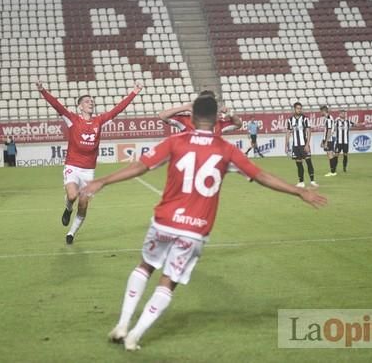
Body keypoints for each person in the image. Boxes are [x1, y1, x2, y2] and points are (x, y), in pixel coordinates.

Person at [80, 95, 327, 351]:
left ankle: (122, 324)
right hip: (195, 229)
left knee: (145, 266)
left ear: (193, 117)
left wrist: (103, 180)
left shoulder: (176, 141)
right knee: (169, 281)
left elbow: (141, 166)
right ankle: (135, 336)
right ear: (216, 118)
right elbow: (262, 176)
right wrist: (298, 191)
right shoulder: (227, 150)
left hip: (165, 221)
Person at [37, 80, 142, 244]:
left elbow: (117, 109)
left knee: (84, 204)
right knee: (72, 195)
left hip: (88, 171)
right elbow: (57, 105)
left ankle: (71, 233)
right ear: (80, 106)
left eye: (92, 101)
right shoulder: (72, 119)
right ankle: (68, 208)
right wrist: (42, 90)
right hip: (72, 165)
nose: (90, 103)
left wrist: (134, 92)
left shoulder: (99, 121)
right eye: (87, 101)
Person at [159, 90, 242, 135]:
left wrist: (230, 113)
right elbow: (162, 116)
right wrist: (185, 107)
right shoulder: (186, 120)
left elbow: (238, 124)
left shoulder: (219, 123)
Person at [285, 102, 317, 187]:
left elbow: (309, 131)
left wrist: (307, 144)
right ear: (294, 109)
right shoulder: (290, 120)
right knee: (299, 163)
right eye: (298, 108)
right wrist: (286, 145)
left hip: (304, 145)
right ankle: (301, 182)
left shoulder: (305, 119)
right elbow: (288, 133)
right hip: (295, 146)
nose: (299, 110)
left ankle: (312, 181)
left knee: (308, 161)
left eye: (300, 108)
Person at [320, 105, 337, 177]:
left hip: (329, 139)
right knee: (330, 154)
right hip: (327, 139)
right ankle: (333, 170)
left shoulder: (329, 118)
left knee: (330, 154)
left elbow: (329, 131)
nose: (320, 112)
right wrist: (323, 140)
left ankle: (332, 172)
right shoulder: (327, 118)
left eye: (321, 111)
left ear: (324, 111)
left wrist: (326, 141)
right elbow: (326, 131)